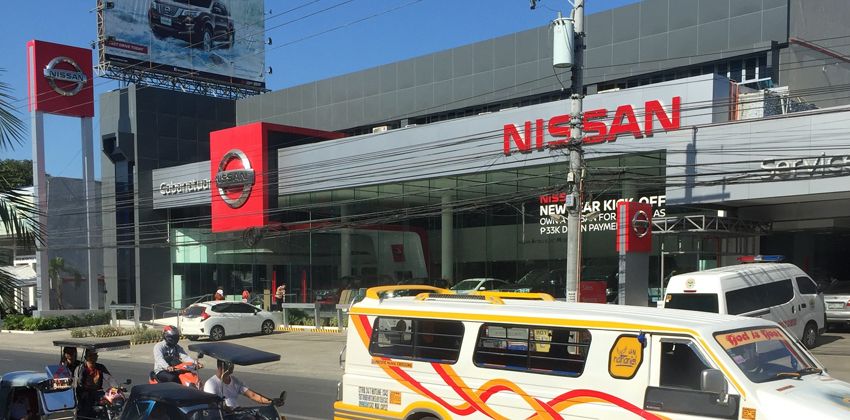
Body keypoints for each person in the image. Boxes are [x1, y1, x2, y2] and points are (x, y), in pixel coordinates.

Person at [203, 359, 274, 410]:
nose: (233, 366)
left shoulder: (234, 380)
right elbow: (212, 406)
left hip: (237, 413)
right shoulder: (211, 384)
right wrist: (230, 409)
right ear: (221, 367)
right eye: (230, 364)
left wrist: (271, 401)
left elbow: (252, 395)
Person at [76, 350, 118, 418]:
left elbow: (110, 379)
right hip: (84, 393)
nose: (93, 357)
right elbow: (78, 383)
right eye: (90, 356)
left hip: (98, 392)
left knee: (110, 402)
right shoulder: (81, 368)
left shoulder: (100, 367)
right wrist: (82, 392)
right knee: (85, 410)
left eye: (95, 355)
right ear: (85, 357)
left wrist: (116, 388)